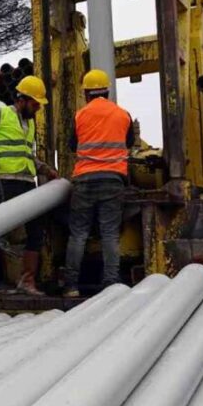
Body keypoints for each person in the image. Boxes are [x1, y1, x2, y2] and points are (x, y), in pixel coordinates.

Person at [0, 75, 58, 297]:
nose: (37, 108)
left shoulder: (31, 123)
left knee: (35, 233)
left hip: (26, 183)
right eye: (35, 103)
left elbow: (26, 154)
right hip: (2, 182)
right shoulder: (0, 114)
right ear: (22, 99)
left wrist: (45, 170)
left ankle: (27, 282)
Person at [61, 69, 135, 297]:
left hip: (84, 180)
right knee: (110, 233)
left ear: (86, 92)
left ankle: (71, 286)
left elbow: (73, 146)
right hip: (113, 179)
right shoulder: (123, 115)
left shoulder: (80, 115)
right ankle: (111, 283)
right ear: (107, 91)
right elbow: (129, 142)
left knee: (79, 234)